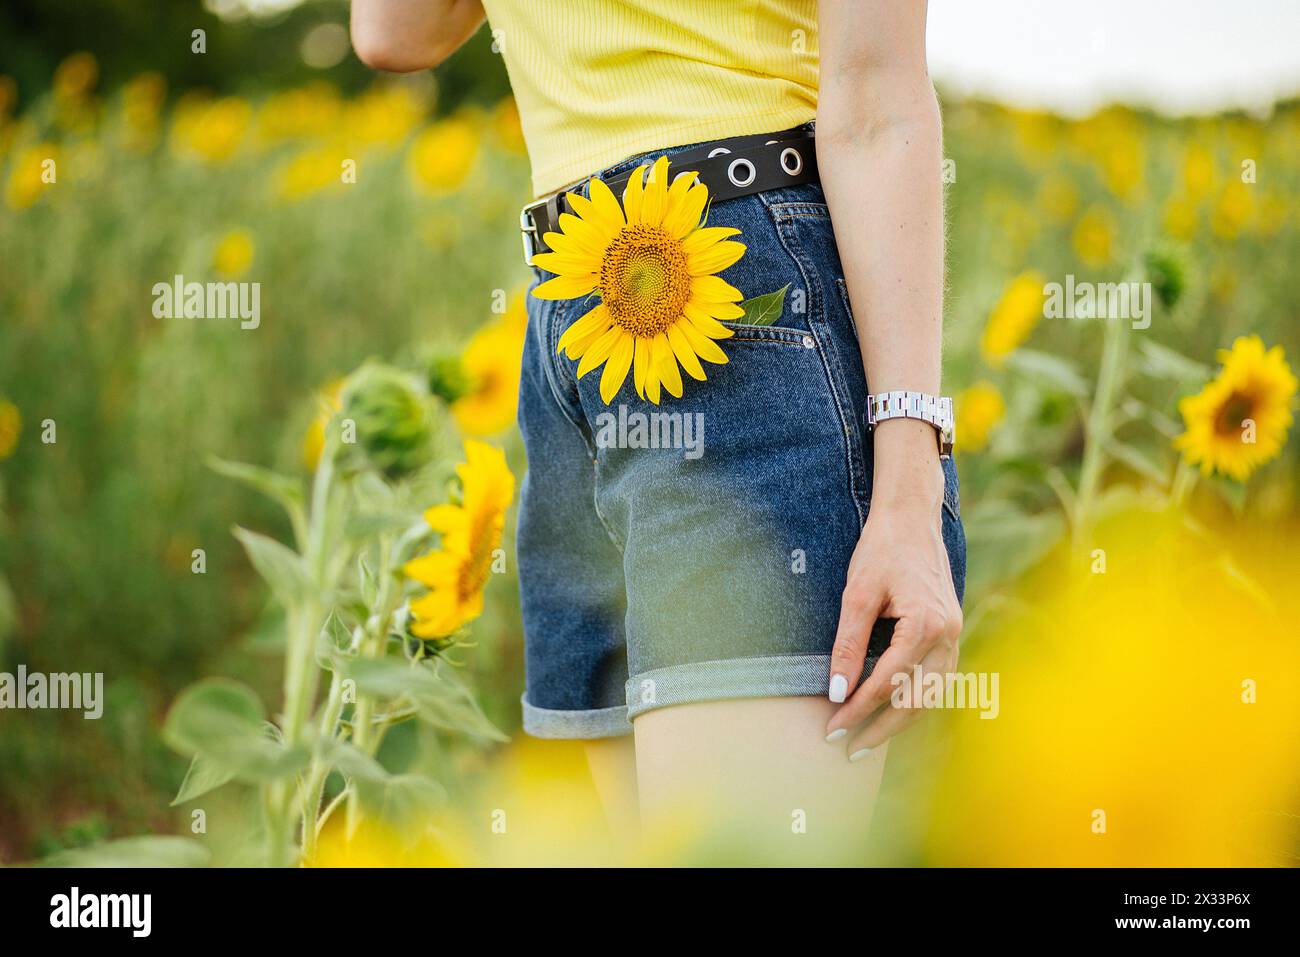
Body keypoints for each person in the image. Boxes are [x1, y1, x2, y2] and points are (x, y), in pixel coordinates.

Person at [352, 0, 965, 860]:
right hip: (573, 327)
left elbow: (876, 102)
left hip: (743, 299)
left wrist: (910, 485)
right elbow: (394, 32)